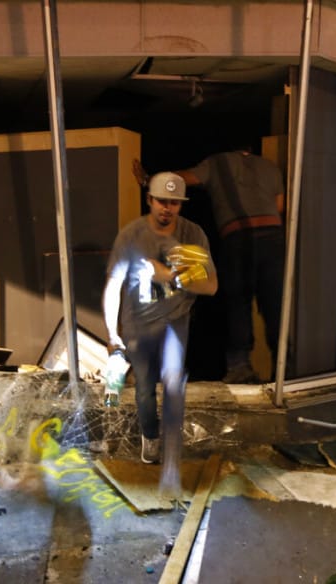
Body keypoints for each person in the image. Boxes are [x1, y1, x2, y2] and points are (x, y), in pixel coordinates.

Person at [134, 145, 285, 383]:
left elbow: (181, 179)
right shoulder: (270, 167)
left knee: (238, 301)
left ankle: (240, 367)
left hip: (238, 235)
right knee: (275, 302)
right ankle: (284, 367)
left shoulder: (217, 162)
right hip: (273, 237)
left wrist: (148, 180)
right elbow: (279, 206)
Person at [103, 172, 218, 483]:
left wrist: (172, 277)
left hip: (174, 321)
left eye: (174, 202)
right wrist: (113, 334)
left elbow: (211, 286)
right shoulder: (131, 236)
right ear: (149, 200)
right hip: (137, 322)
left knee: (172, 382)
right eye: (162, 201)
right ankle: (150, 437)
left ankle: (170, 445)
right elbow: (113, 285)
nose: (168, 208)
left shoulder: (192, 234)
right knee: (144, 388)